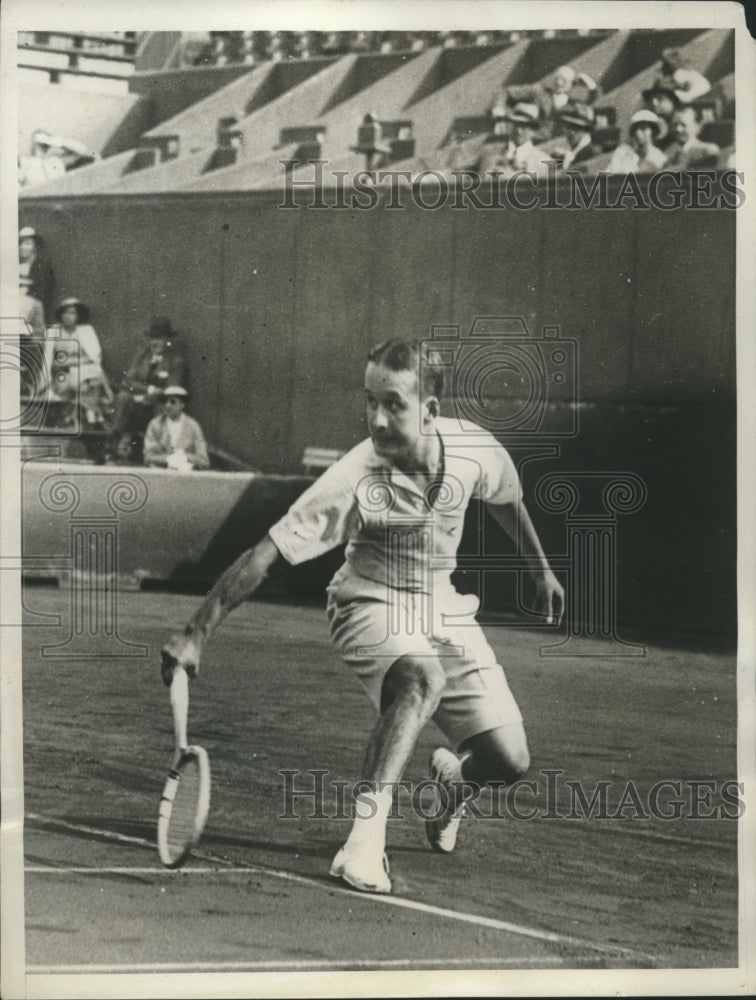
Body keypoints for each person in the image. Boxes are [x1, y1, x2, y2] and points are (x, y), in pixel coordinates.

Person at [161, 339, 564, 894]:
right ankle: (362, 844)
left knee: (509, 759)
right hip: (366, 600)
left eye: (393, 403)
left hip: (440, 604)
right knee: (422, 679)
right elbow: (268, 551)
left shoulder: (475, 450)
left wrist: (541, 571)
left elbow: (507, 498)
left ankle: (452, 781)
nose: (376, 418)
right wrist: (195, 632)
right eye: (369, 401)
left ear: (430, 410)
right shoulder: (355, 475)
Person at [112, 316, 188, 439]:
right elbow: (128, 381)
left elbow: (173, 390)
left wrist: (152, 396)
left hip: (157, 407)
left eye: (159, 338)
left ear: (167, 339)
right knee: (123, 397)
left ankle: (156, 447)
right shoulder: (142, 356)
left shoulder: (175, 361)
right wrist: (148, 390)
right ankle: (114, 440)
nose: (154, 342)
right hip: (138, 406)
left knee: (164, 406)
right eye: (152, 338)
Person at [48, 297, 113, 427]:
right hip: (62, 376)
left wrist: (68, 362)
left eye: (72, 313)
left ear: (78, 316)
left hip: (85, 373)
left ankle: (88, 418)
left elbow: (94, 358)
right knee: (83, 383)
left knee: (89, 381)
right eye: (65, 312)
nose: (68, 316)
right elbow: (50, 360)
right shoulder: (53, 331)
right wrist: (68, 365)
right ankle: (91, 418)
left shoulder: (86, 331)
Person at [143, 386, 209, 470]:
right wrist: (168, 459)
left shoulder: (193, 426)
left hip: (186, 475)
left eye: (172, 402)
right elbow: (148, 456)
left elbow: (203, 460)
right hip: (160, 473)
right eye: (165, 402)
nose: (168, 405)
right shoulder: (155, 424)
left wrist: (185, 457)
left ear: (182, 404)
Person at [608, 110, 667, 175]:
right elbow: (612, 174)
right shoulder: (622, 151)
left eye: (644, 129)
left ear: (653, 131)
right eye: (637, 129)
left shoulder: (659, 156)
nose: (641, 133)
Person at [664, 105, 720, 170]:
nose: (678, 129)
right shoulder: (669, 151)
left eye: (683, 125)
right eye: (675, 125)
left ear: (696, 126)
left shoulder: (707, 150)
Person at [19, 226, 55, 323]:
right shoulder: (15, 265)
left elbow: (42, 295)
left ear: (35, 246)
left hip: (34, 315)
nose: (23, 247)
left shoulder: (42, 267)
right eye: (20, 243)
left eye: (27, 243)